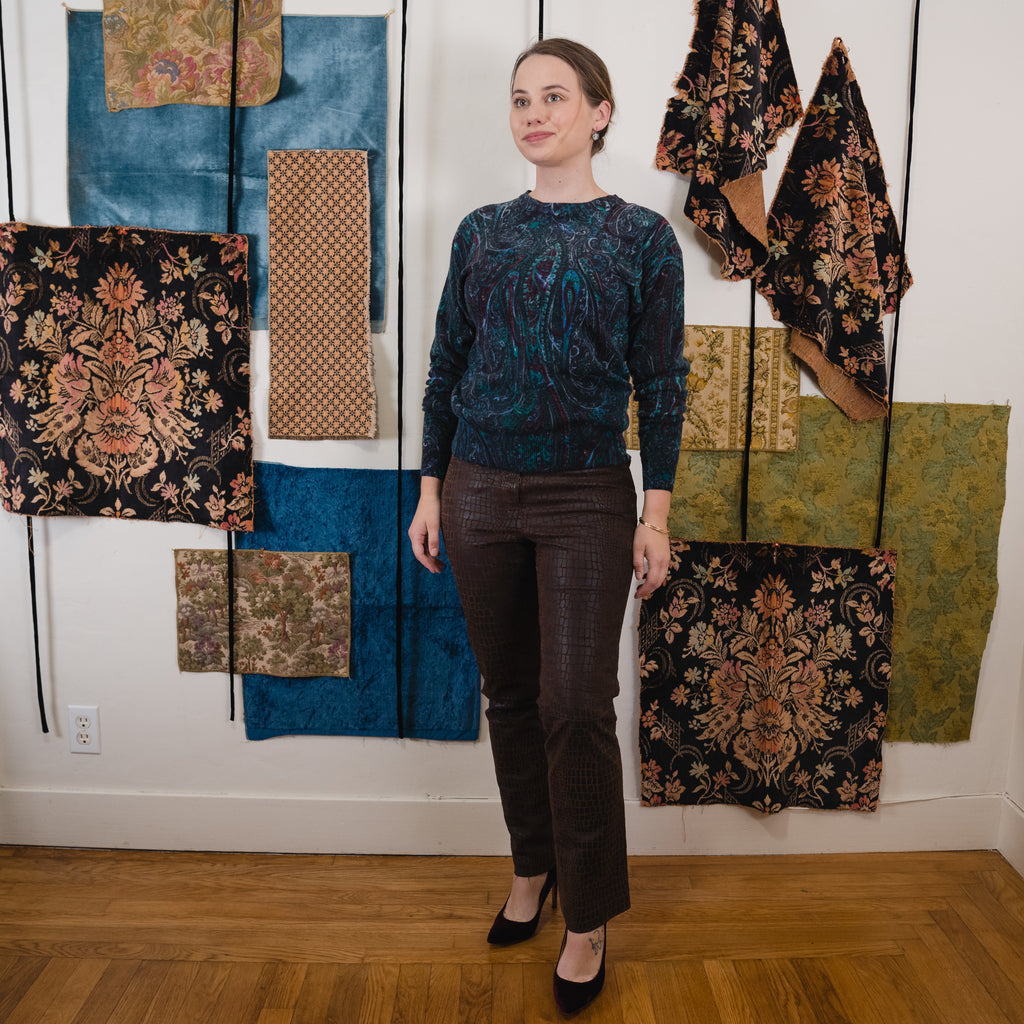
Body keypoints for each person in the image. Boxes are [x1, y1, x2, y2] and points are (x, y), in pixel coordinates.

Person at [408, 37, 687, 1017]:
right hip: (479, 489)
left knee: (576, 703)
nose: (534, 113)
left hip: (585, 498)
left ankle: (588, 913)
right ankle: (532, 866)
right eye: (521, 99)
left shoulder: (641, 238)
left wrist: (654, 508)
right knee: (512, 697)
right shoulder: (483, 232)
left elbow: (660, 380)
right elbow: (446, 363)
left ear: (599, 112)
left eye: (555, 97)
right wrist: (431, 486)